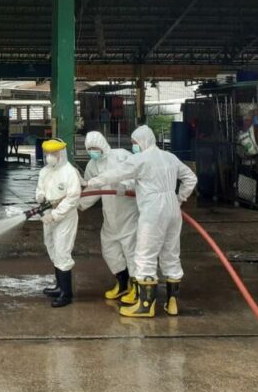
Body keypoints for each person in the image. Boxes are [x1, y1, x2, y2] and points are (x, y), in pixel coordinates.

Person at [87, 125, 197, 318]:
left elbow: (116, 174)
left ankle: (146, 306)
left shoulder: (141, 159)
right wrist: (179, 199)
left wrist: (93, 182)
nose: (134, 146)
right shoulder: (170, 157)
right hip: (172, 209)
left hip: (153, 210)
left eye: (134, 142)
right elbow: (190, 178)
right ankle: (172, 303)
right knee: (171, 254)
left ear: (142, 141)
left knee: (144, 255)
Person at [80, 132, 138, 302]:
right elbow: (92, 189)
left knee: (131, 250)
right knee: (109, 249)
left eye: (95, 148)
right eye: (89, 149)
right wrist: (78, 204)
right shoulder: (92, 164)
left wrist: (124, 186)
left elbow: (137, 175)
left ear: (103, 145)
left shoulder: (121, 156)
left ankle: (137, 288)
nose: (92, 151)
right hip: (110, 214)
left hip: (127, 212)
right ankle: (122, 284)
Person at [34, 138, 82, 308]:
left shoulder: (70, 173)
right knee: (51, 247)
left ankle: (66, 293)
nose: (50, 157)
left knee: (62, 251)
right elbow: (40, 189)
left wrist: (56, 214)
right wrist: (39, 197)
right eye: (48, 153)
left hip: (65, 218)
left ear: (61, 154)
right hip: (48, 215)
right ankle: (58, 286)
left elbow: (73, 198)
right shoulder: (45, 171)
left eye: (54, 153)